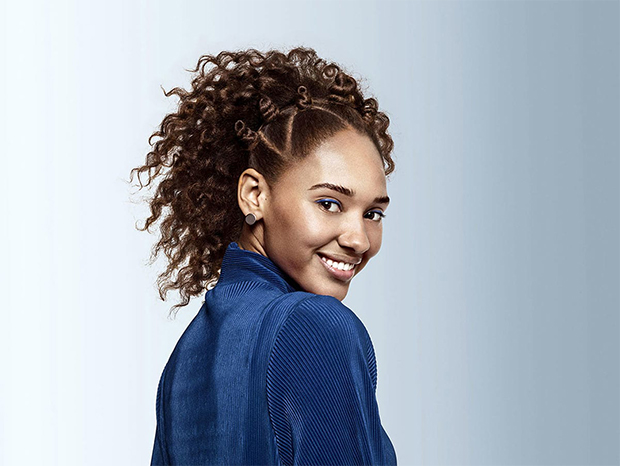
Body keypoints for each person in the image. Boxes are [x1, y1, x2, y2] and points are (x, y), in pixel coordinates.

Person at [130, 46, 397, 465]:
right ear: (255, 194)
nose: (359, 239)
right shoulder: (316, 327)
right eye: (329, 203)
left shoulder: (186, 359)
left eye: (373, 213)